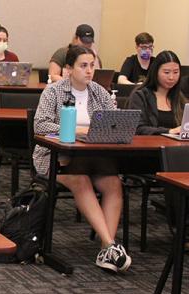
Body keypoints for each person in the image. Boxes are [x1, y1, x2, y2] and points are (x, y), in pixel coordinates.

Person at [33, 45, 130, 273]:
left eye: (92, 66)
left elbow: (114, 123)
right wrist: (76, 131)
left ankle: (107, 248)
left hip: (92, 157)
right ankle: (109, 245)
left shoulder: (99, 92)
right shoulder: (54, 91)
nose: (89, 71)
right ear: (69, 68)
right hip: (56, 158)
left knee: (114, 184)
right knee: (81, 180)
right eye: (83, 66)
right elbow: (39, 125)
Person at [128, 50, 186, 134]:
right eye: (166, 72)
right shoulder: (140, 96)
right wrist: (169, 131)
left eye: (176, 72)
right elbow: (137, 128)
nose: (171, 77)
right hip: (149, 145)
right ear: (155, 72)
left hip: (178, 146)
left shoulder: (180, 98)